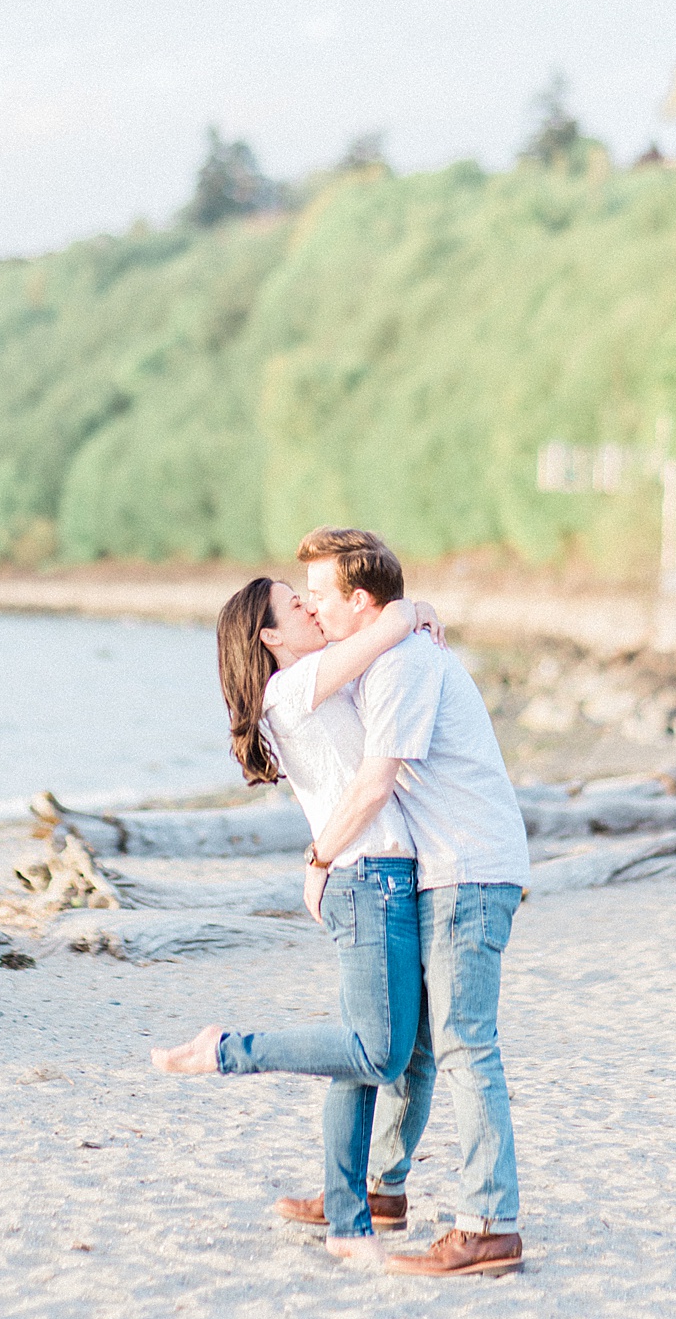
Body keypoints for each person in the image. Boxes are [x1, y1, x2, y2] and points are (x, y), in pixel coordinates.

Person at [148, 579, 439, 1265]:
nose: (310, 606)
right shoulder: (290, 686)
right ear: (270, 637)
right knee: (375, 1053)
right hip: (366, 879)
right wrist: (412, 609)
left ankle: (350, 1218)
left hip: (382, 876)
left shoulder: (308, 683)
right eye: (294, 603)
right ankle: (226, 1048)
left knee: (375, 1056)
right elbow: (384, 630)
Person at [297, 524, 533, 1279]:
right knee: (423, 1048)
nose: (312, 612)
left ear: (359, 601)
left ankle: (488, 1224)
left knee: (464, 1042)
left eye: (319, 597)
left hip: (467, 868)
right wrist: (414, 606)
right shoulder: (393, 647)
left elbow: (375, 780)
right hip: (450, 867)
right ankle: (382, 1187)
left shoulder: (400, 663)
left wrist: (319, 858)